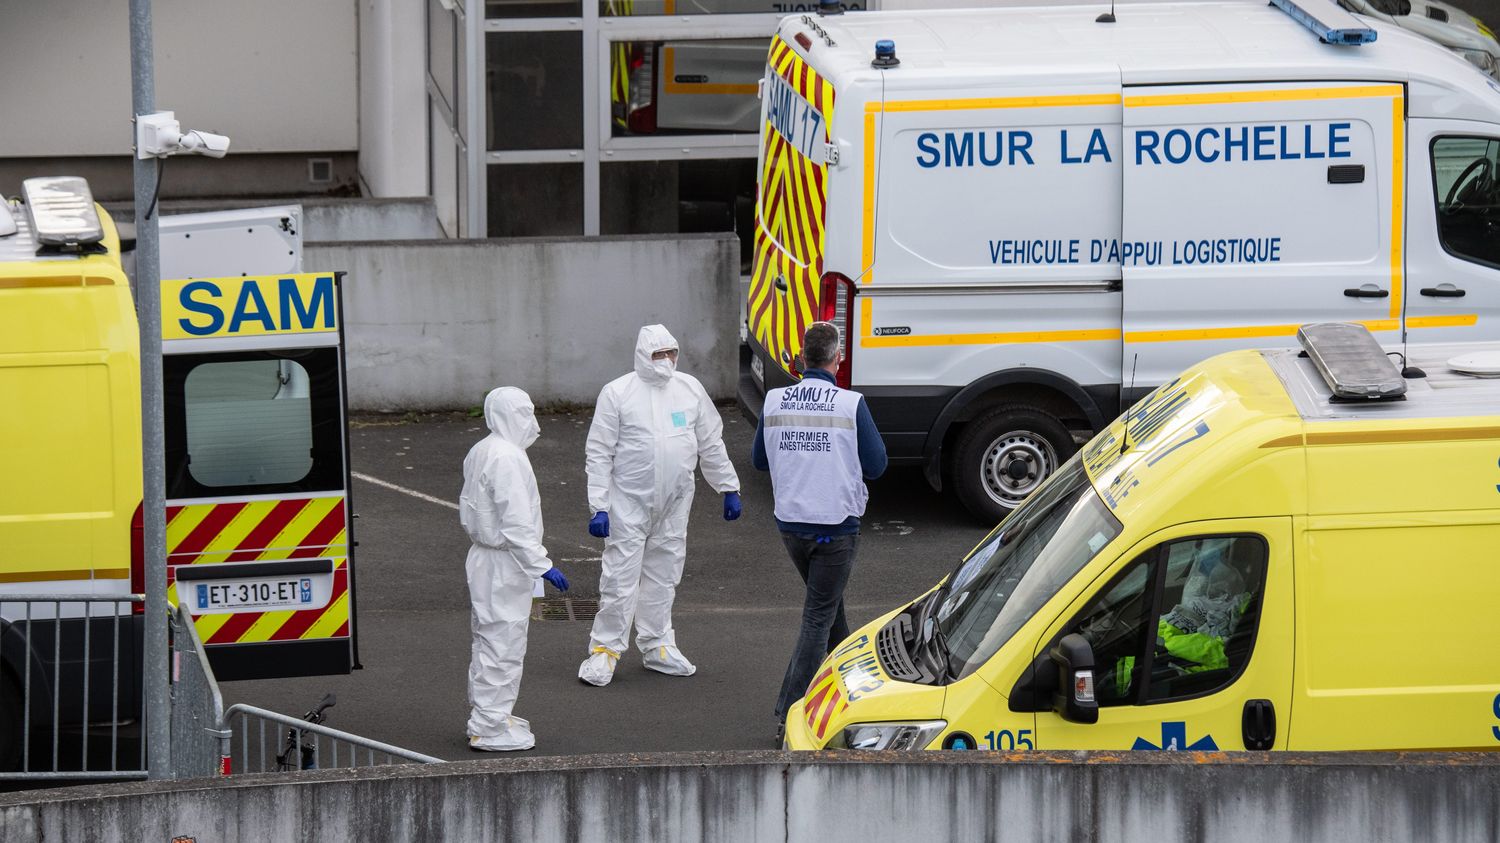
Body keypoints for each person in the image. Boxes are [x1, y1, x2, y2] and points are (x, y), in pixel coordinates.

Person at [578, 324, 742, 687]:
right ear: (642, 355)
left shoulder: (688, 389)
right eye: (658, 354)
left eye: (671, 353)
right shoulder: (618, 393)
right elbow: (599, 452)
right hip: (628, 504)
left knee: (664, 576)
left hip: (674, 503)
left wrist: (728, 485)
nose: (666, 361)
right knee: (620, 579)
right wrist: (599, 505)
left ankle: (657, 644)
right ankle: (604, 650)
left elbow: (710, 442)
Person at [753, 321, 887, 744]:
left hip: (791, 526)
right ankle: (788, 709)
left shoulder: (775, 400)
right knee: (818, 616)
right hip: (835, 529)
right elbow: (878, 465)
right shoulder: (850, 404)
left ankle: (851, 689)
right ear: (836, 358)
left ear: (803, 358)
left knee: (831, 613)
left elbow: (759, 460)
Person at [460, 386, 570, 752]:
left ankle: (488, 714)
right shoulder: (507, 457)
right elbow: (517, 520)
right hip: (504, 562)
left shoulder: (485, 448)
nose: (531, 420)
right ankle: (489, 726)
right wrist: (542, 565)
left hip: (488, 558)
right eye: (523, 412)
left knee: (488, 638)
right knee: (502, 643)